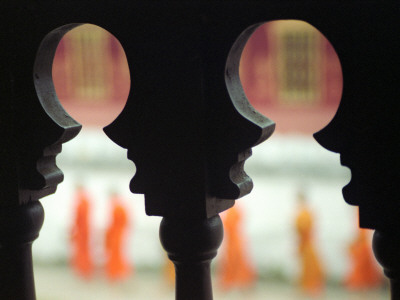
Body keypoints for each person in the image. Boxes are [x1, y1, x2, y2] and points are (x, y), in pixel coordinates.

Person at [217, 205, 256, 290]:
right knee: (232, 260)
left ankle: (241, 281)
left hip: (235, 240)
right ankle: (231, 281)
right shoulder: (233, 210)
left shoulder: (233, 210)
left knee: (236, 260)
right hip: (233, 240)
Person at [295, 191, 324, 296]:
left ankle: (312, 289)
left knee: (310, 267)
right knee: (305, 268)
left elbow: (304, 228)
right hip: (304, 244)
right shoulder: (304, 212)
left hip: (307, 244)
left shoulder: (305, 212)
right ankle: (308, 289)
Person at [105, 192, 131, 281]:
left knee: (116, 255)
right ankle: (118, 274)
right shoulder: (119, 207)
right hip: (118, 234)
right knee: (117, 254)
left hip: (116, 234)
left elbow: (114, 224)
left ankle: (117, 274)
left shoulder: (117, 208)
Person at [70, 185, 93, 278]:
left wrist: (73, 230)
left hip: (81, 230)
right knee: (84, 250)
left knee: (82, 251)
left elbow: (78, 218)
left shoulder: (82, 201)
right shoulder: (86, 200)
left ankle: (84, 270)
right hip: (84, 229)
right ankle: (84, 270)